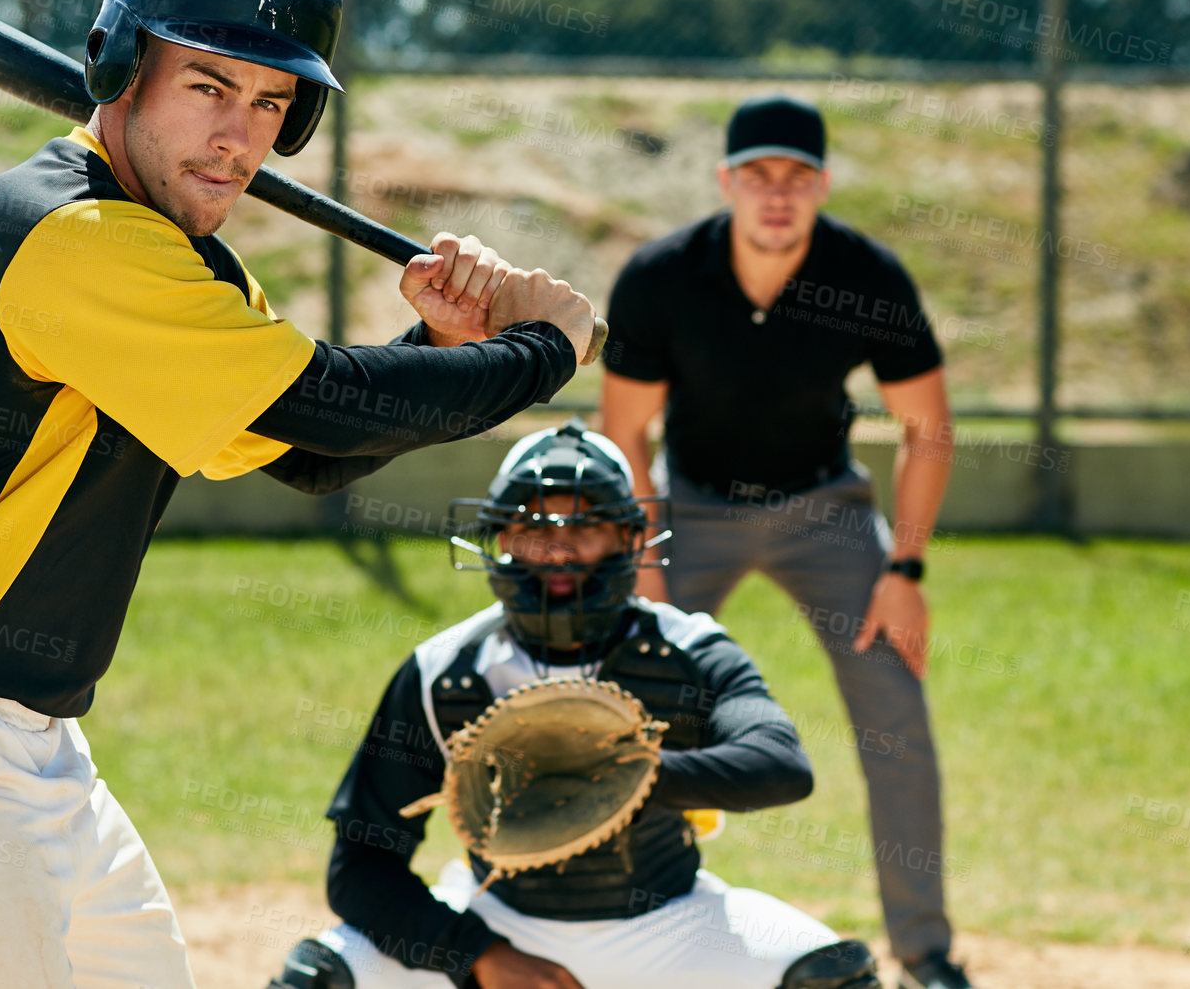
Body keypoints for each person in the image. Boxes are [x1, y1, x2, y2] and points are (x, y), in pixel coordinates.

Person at [0, 0, 596, 989]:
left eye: (268, 101)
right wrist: (539, 351)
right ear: (120, 68)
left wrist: (437, 340)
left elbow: (301, 453)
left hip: (28, 743)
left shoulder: (177, 259)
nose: (236, 135)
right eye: (206, 86)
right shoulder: (67, 231)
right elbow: (321, 404)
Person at [264, 421, 884, 989]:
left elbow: (780, 765)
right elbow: (361, 868)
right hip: (500, 919)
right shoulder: (444, 674)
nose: (558, 550)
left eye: (584, 525)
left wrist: (623, 776)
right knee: (318, 978)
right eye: (533, 526)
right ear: (499, 536)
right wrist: (478, 955)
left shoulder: (687, 649)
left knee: (834, 977)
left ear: (629, 536)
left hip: (670, 924)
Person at [598, 96, 965, 989]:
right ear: (726, 182)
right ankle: (599, 922)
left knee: (896, 718)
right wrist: (644, 563)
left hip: (826, 511)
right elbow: (625, 435)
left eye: (795, 178)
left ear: (821, 188)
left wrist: (904, 570)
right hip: (689, 508)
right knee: (616, 698)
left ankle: (925, 953)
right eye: (757, 176)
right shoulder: (661, 276)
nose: (776, 195)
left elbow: (928, 427)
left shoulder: (864, 275)